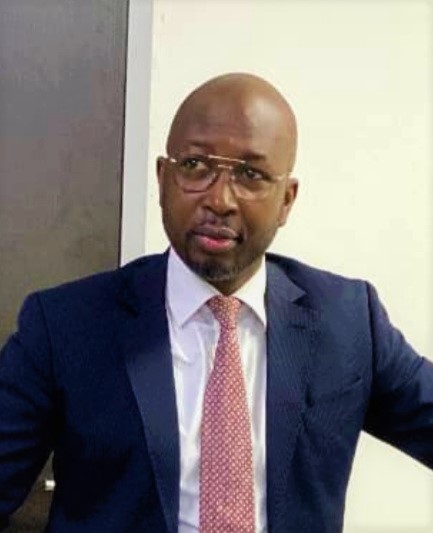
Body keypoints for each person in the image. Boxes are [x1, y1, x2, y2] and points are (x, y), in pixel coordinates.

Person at [0, 73, 432, 533]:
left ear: (286, 201)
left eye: (251, 174)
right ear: (163, 178)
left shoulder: (347, 320)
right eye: (195, 166)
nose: (219, 199)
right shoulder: (66, 326)